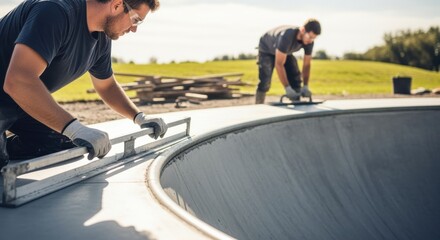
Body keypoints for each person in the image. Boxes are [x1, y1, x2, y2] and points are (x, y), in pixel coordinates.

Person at [0, 0, 168, 170]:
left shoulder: (101, 36)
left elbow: (107, 86)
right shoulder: (55, 12)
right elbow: (18, 81)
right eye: (136, 19)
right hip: (13, 93)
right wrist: (75, 128)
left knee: (65, 144)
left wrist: (139, 118)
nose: (134, 28)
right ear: (117, 5)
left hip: (19, 103)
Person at [255, 19, 321, 104]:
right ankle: (258, 106)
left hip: (285, 51)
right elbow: (279, 64)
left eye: (314, 38)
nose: (311, 40)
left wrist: (305, 86)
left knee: (295, 77)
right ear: (303, 30)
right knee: (265, 81)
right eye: (310, 37)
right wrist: (287, 88)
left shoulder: (309, 42)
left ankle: (297, 103)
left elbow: (306, 65)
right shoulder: (287, 36)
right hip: (267, 49)